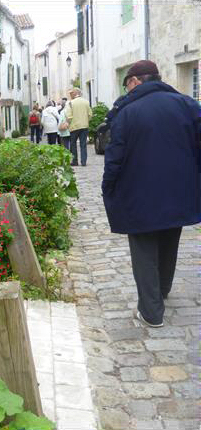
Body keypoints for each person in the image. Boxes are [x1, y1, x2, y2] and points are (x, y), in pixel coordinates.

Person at [102, 59, 201, 328]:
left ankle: (151, 312)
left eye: (127, 85)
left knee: (144, 250)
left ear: (135, 81)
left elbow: (115, 157)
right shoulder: (187, 105)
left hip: (139, 192)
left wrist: (108, 188)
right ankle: (162, 291)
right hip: (180, 190)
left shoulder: (127, 112)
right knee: (170, 240)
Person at [65, 88, 92, 166]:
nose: (70, 95)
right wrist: (86, 121)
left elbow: (69, 116)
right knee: (83, 144)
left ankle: (75, 161)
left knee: (73, 144)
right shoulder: (86, 102)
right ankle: (83, 162)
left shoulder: (71, 103)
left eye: (71, 93)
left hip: (74, 126)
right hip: (84, 126)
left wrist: (68, 124)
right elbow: (90, 114)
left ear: (75, 93)